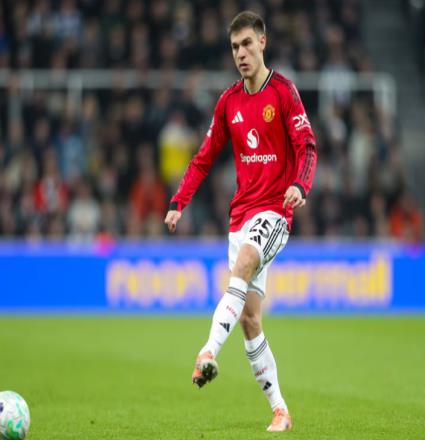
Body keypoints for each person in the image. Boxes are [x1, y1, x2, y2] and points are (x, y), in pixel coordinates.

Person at [164, 11, 317, 432]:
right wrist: (179, 201)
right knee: (250, 320)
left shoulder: (283, 92)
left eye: (247, 43)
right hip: (240, 217)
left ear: (262, 42)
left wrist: (300, 185)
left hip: (275, 212)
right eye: (234, 47)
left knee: (246, 261)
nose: (241, 53)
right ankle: (280, 410)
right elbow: (203, 157)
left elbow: (307, 145)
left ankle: (207, 352)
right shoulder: (228, 102)